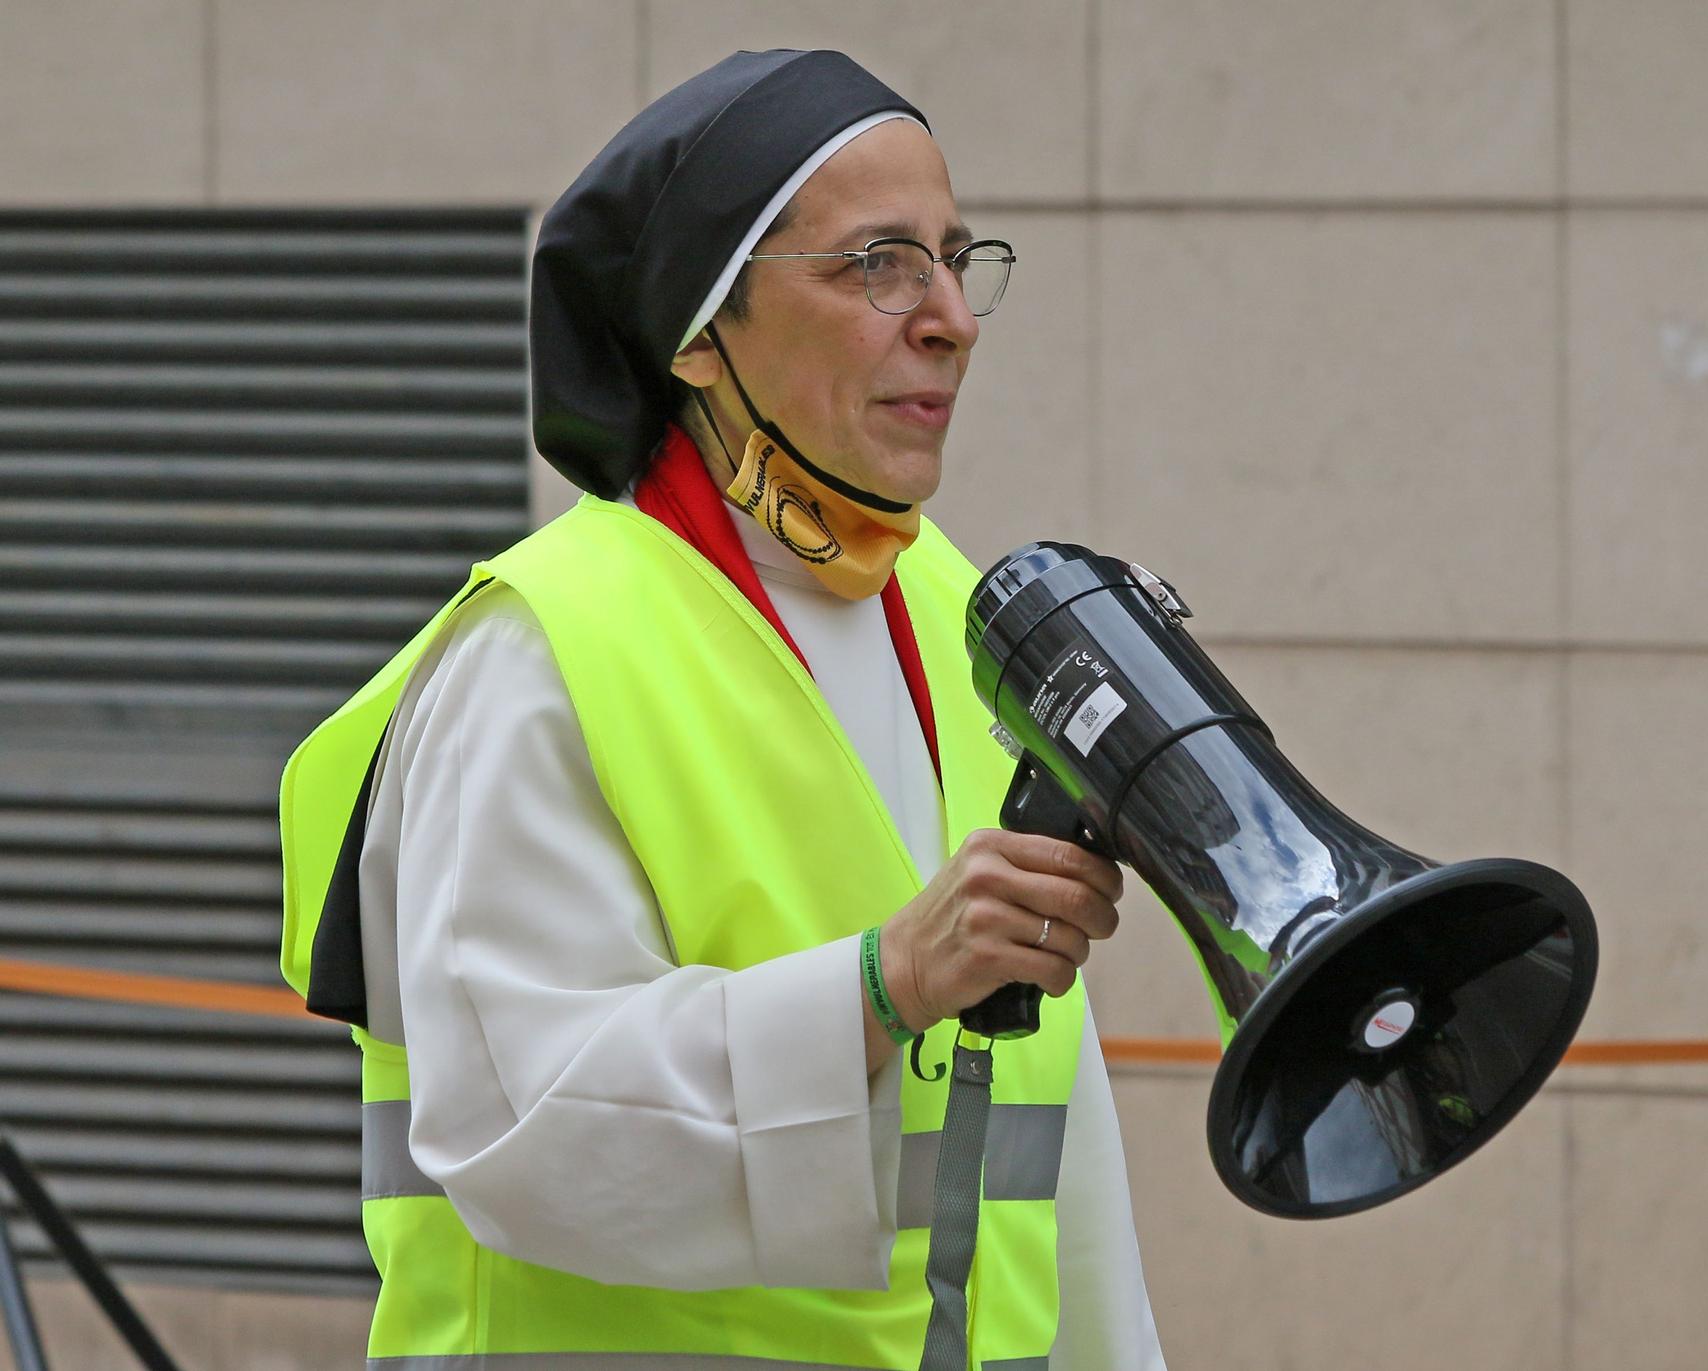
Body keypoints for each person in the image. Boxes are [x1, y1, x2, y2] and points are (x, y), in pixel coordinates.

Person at [277, 48, 1169, 1369]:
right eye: (879, 265)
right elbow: (522, 1127)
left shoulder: (952, 603)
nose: (950, 320)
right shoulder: (538, 648)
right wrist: (882, 986)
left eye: (957, 259)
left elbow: (1061, 1154)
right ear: (698, 332)